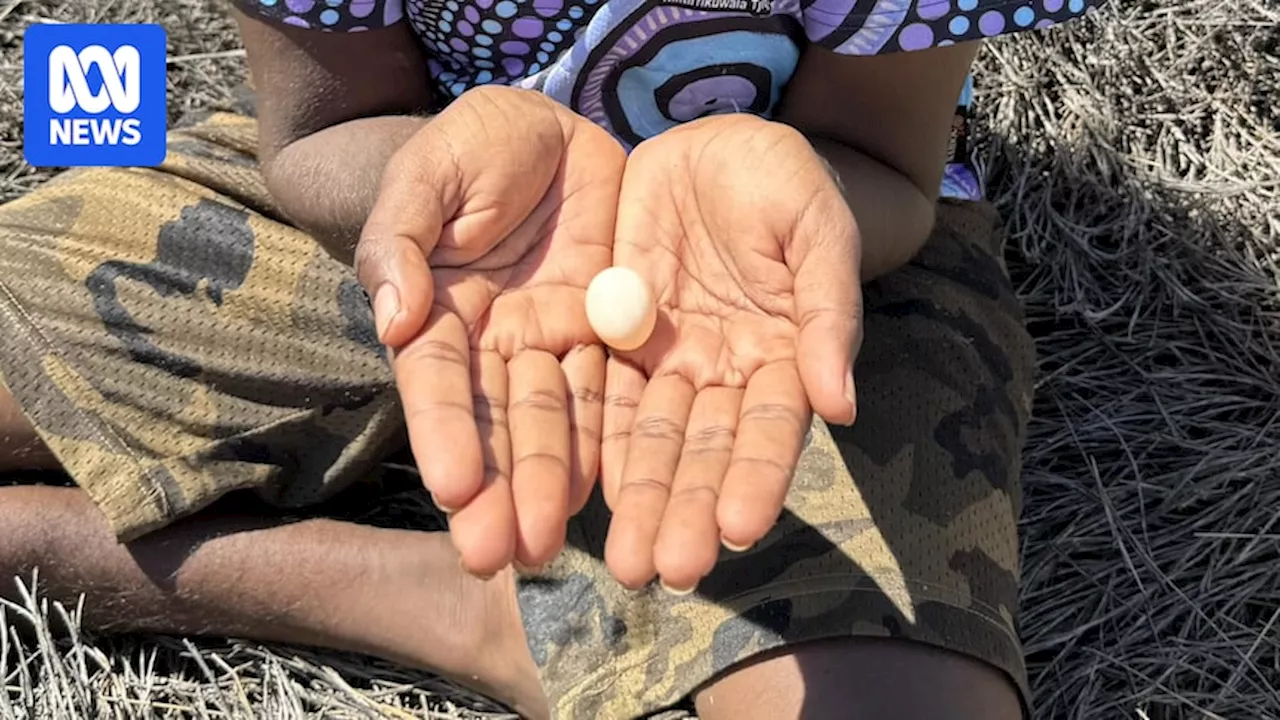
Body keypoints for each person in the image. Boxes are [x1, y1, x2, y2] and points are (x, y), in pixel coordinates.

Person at [0, 0, 1108, 717]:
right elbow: (322, 135)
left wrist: (799, 183)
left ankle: (465, 607)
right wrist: (425, 181)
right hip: (419, 204)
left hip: (791, 270)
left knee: (879, 704)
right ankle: (525, 596)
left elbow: (882, 164)